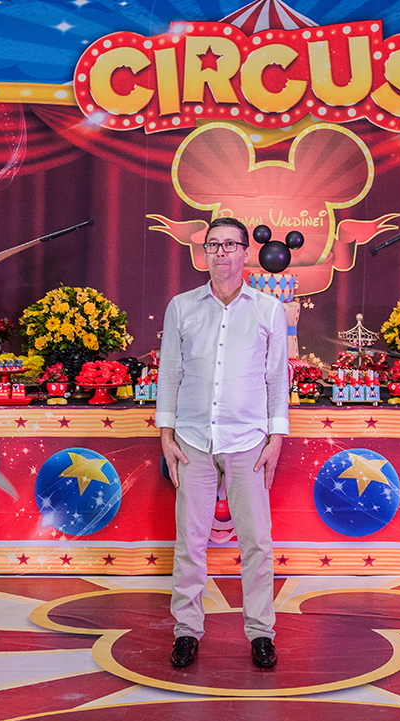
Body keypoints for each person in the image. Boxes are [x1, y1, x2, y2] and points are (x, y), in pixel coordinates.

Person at [157, 217, 289, 670]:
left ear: (246, 253)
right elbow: (170, 373)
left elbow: (277, 378)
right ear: (204, 253)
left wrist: (275, 438)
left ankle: (261, 633)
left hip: (249, 441)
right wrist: (166, 434)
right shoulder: (182, 306)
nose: (222, 253)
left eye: (231, 245)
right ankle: (186, 631)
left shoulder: (268, 309)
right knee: (189, 542)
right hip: (192, 439)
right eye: (214, 245)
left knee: (257, 543)